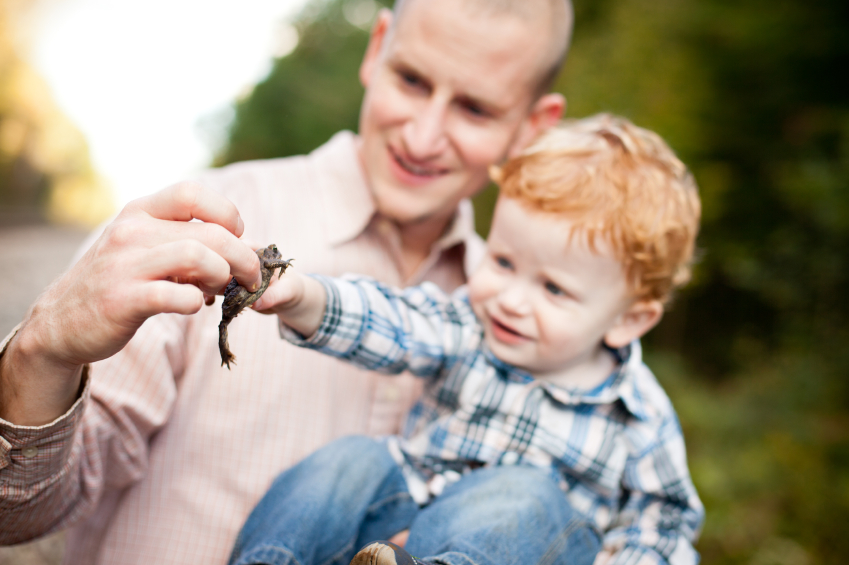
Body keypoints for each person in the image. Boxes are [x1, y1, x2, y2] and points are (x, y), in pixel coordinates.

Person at [0, 0, 570, 563]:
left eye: (474, 109)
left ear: (532, 127)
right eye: (412, 80)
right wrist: (41, 352)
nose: (422, 138)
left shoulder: (537, 328)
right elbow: (17, 513)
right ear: (377, 49)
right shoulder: (197, 225)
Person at [226, 114, 705, 565]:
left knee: (523, 494)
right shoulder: (467, 326)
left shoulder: (639, 415)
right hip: (402, 514)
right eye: (503, 263)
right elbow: (394, 322)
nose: (511, 299)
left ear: (628, 319)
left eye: (554, 289)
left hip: (523, 544)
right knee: (350, 460)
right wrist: (302, 297)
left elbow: (663, 528)